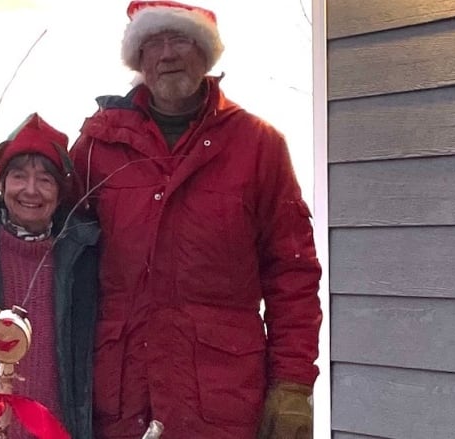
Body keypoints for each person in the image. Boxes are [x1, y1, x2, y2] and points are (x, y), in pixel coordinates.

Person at [68, 2, 322, 438]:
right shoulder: (97, 146)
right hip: (120, 398)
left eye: (180, 39)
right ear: (138, 59)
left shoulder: (258, 145)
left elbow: (291, 272)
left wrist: (293, 382)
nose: (167, 54)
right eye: (153, 43)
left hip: (221, 401)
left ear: (205, 52)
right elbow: (54, 253)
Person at [0, 113, 99, 439]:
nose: (31, 190)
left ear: (60, 191)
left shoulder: (85, 256)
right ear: (0, 183)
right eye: (18, 176)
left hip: (58, 430)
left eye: (45, 179)